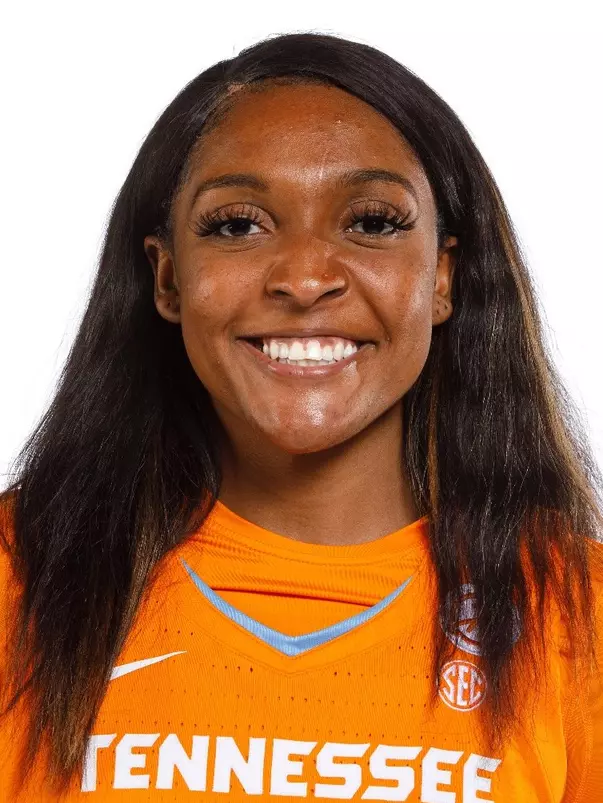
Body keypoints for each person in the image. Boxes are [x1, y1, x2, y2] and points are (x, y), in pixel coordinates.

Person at [0, 30, 601, 803]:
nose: (306, 277)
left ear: (443, 277)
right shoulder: (21, 583)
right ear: (167, 276)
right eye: (238, 224)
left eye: (373, 221)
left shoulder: (574, 618)